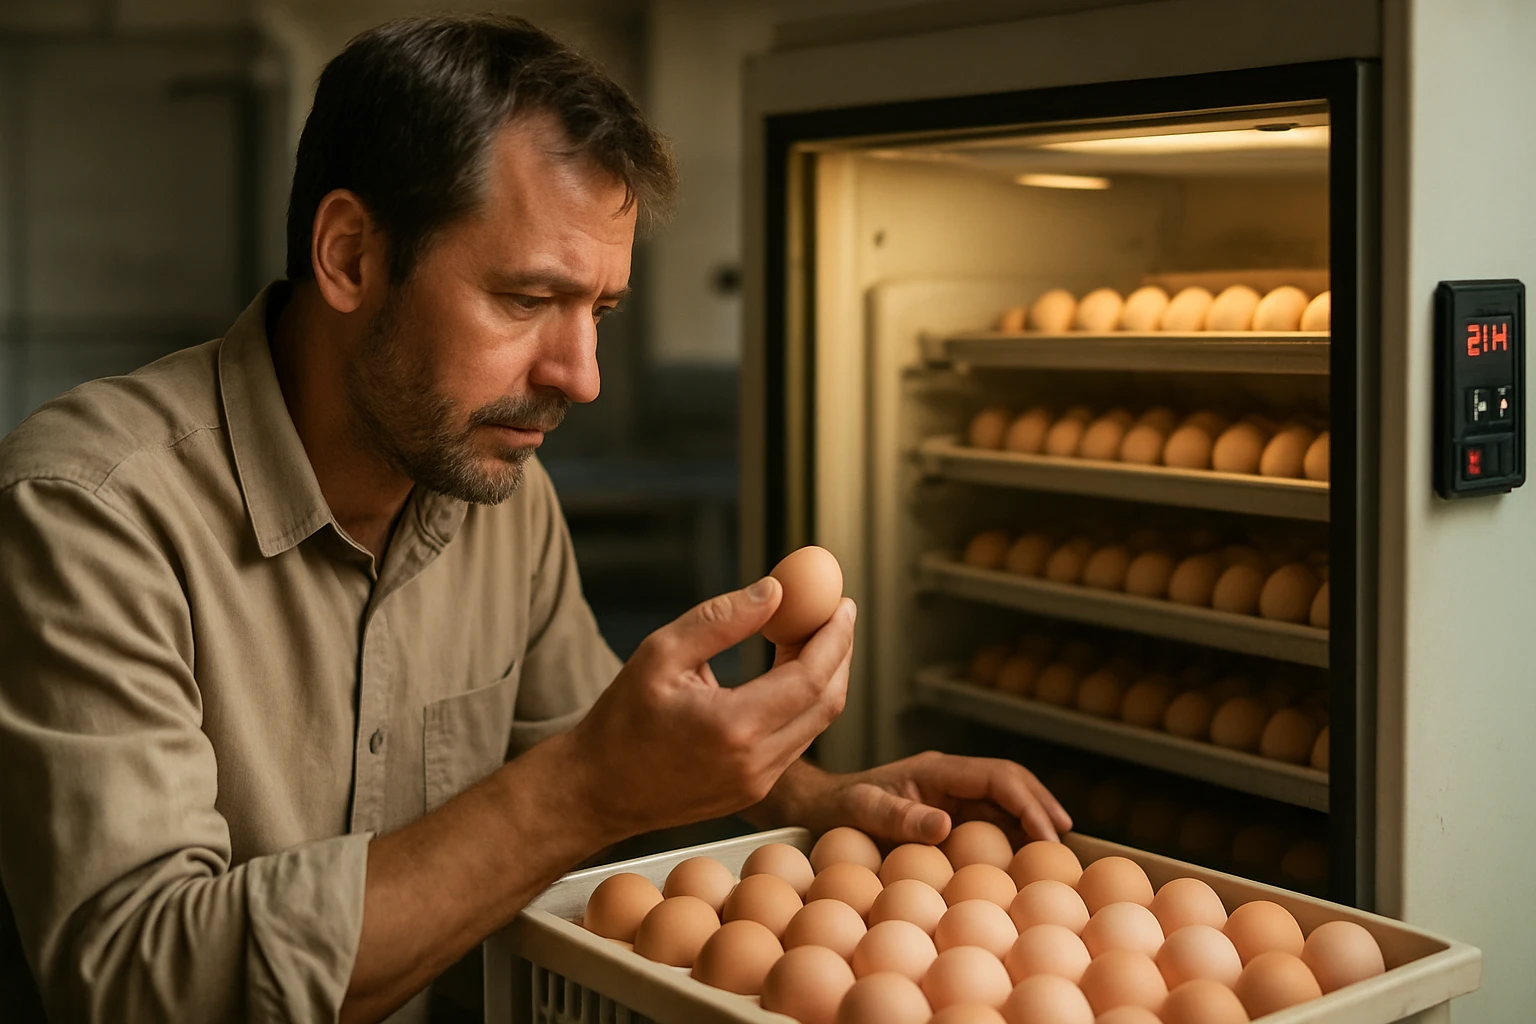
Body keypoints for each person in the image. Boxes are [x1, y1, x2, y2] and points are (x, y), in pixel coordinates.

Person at [0, 14, 1070, 1023]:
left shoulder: (495, 499)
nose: (583, 376)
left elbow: (587, 739)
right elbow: (140, 979)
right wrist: (582, 791)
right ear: (350, 257)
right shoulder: (90, 515)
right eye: (524, 300)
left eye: (599, 311)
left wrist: (812, 797)